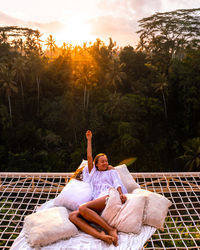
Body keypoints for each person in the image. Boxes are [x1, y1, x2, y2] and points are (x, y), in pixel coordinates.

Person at [69, 130, 127, 246]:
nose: (105, 163)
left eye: (106, 161)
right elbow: (89, 157)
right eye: (102, 161)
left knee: (83, 208)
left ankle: (110, 229)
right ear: (97, 164)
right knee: (72, 216)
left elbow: (117, 183)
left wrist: (121, 194)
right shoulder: (93, 172)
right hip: (96, 200)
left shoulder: (111, 171)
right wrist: (89, 140)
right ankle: (100, 235)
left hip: (108, 196)